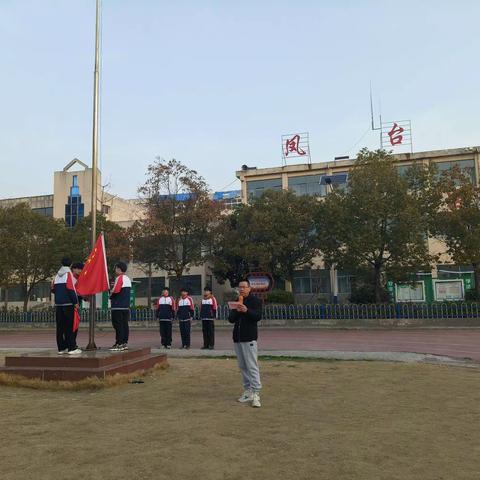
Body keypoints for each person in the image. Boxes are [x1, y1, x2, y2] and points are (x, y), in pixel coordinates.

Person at [228, 279, 263, 408]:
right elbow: (231, 319)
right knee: (243, 366)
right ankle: (247, 391)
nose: (241, 289)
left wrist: (246, 310)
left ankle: (256, 393)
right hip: (237, 338)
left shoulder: (255, 301)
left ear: (249, 288)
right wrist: (238, 309)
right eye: (240, 287)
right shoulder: (238, 300)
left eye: (244, 287)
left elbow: (257, 316)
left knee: (252, 366)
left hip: (249, 338)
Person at [51, 257, 82, 355]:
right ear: (71, 264)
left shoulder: (57, 275)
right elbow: (70, 289)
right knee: (70, 327)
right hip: (68, 304)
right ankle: (71, 348)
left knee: (60, 328)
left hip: (58, 304)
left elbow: (52, 289)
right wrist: (75, 302)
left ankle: (61, 348)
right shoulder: (68, 274)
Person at [109, 261, 131, 352]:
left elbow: (116, 291)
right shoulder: (127, 279)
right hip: (125, 307)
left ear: (119, 269)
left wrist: (110, 294)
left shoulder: (120, 278)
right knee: (124, 325)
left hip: (118, 307)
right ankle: (124, 343)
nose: (115, 270)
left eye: (116, 268)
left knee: (118, 326)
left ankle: (119, 343)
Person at [71, 262, 85, 349]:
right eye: (79, 269)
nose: (81, 271)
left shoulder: (80, 279)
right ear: (74, 269)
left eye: (82, 269)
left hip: (78, 304)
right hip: (72, 305)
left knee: (75, 325)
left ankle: (73, 343)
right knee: (72, 325)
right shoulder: (71, 279)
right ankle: (71, 344)